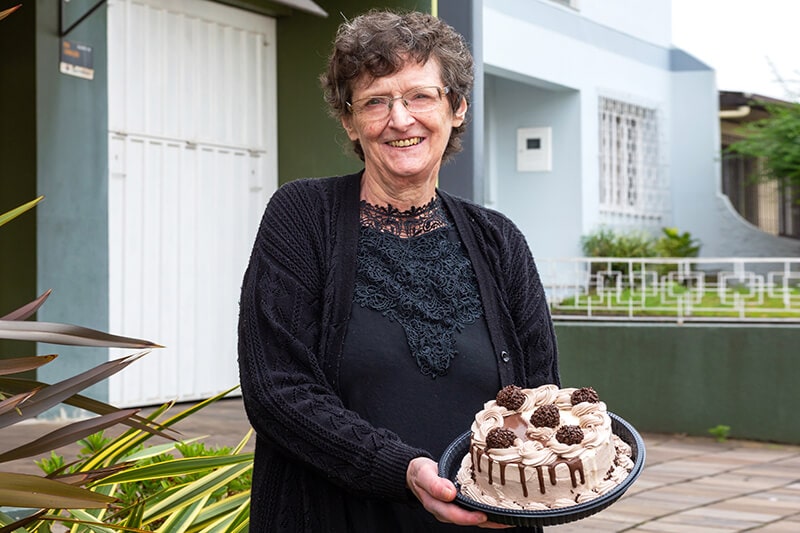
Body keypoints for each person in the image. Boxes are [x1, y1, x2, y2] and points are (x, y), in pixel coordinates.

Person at [238, 9, 559, 532]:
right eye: (375, 101)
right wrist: (404, 471)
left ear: (456, 109)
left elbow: (540, 396)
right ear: (349, 121)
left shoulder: (499, 240)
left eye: (420, 96)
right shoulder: (302, 216)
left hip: (485, 520)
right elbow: (277, 390)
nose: (400, 118)